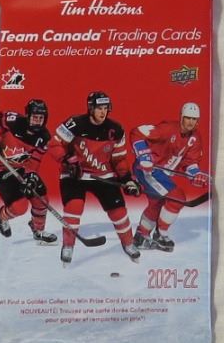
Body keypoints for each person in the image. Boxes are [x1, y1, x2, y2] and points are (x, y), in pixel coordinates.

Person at [53, 91, 137, 262]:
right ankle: (68, 245)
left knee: (119, 211)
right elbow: (54, 144)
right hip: (75, 174)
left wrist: (127, 179)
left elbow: (119, 159)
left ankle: (128, 243)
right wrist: (68, 160)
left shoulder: (116, 129)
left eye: (105, 108)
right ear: (91, 108)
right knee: (74, 208)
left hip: (103, 175)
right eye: (99, 108)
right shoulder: (75, 123)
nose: (103, 112)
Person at [130, 103, 209, 252]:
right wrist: (144, 156)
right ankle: (161, 234)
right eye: (188, 118)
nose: (191, 122)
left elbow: (190, 162)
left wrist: (196, 174)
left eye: (194, 119)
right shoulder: (167, 129)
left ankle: (141, 237)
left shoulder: (195, 138)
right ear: (181, 117)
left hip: (161, 173)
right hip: (147, 170)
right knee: (177, 197)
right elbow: (137, 132)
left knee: (156, 203)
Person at [0, 99, 57, 245]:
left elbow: (35, 160)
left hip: (21, 169)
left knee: (41, 199)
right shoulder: (12, 120)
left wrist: (30, 176)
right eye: (34, 117)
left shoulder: (44, 137)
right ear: (27, 115)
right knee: (20, 207)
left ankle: (38, 230)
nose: (37, 121)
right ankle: (2, 217)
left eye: (41, 118)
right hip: (1, 169)